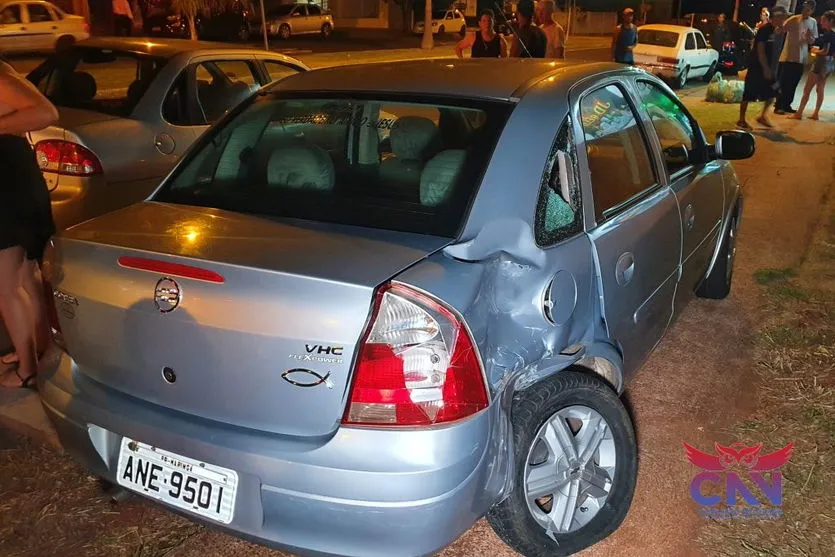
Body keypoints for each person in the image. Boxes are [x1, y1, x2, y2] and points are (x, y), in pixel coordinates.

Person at [0, 58, 58, 389]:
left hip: (8, 189)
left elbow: (46, 112)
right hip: (16, 181)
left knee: (7, 286)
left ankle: (27, 370)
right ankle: (38, 351)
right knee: (24, 278)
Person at [738, 6, 789, 129]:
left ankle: (763, 116)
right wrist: (765, 68)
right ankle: (741, 120)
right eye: (782, 16)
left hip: (769, 68)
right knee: (749, 93)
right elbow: (760, 50)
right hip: (757, 67)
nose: (784, 19)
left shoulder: (775, 30)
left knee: (774, 91)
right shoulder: (765, 30)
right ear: (775, 17)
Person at [775, 0, 819, 114]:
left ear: (812, 11)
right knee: (784, 82)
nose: (805, 11)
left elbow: (812, 40)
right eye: (804, 8)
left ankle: (787, 105)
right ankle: (778, 105)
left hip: (801, 57)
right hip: (788, 56)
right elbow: (779, 30)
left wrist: (809, 37)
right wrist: (778, 24)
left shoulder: (813, 22)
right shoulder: (794, 19)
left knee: (794, 82)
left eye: (808, 9)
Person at [792, 10, 835, 120]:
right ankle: (816, 113)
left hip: (821, 62)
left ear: (831, 21)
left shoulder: (828, 34)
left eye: (824, 20)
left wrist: (815, 51)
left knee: (807, 88)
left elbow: (825, 51)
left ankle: (799, 113)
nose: (821, 22)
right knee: (820, 88)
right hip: (830, 63)